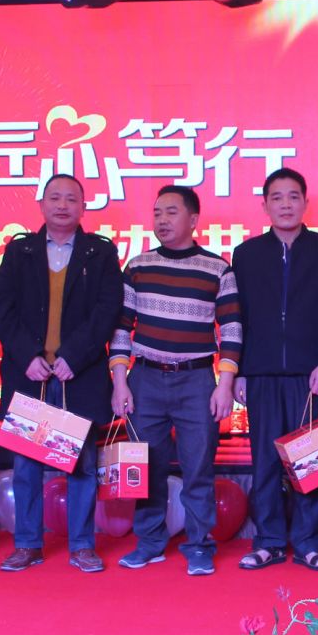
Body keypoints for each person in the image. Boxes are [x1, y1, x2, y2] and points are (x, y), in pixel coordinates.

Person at [0, 174, 124, 574]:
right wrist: (26, 355)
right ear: (42, 204)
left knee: (82, 466)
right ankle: (27, 544)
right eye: (55, 198)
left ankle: (82, 546)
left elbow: (107, 310)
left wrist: (74, 356)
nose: (62, 205)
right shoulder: (20, 250)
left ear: (83, 206)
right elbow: (1, 308)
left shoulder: (100, 252)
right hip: (31, 375)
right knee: (26, 466)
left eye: (71, 199)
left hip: (77, 376)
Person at [110, 184, 242, 576]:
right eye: (157, 213)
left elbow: (231, 330)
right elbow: (122, 328)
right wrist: (120, 382)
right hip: (145, 379)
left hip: (196, 381)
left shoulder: (218, 269)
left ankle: (199, 545)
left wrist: (225, 384)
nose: (162, 220)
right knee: (145, 468)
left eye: (171, 212)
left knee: (198, 468)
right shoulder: (137, 266)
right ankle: (149, 542)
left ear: (193, 219)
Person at [232, 168, 318, 572]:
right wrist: (239, 370)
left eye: (293, 196)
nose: (285, 204)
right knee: (264, 462)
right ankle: (269, 542)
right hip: (261, 373)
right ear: (264, 205)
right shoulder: (246, 254)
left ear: (305, 203)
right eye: (277, 197)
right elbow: (239, 317)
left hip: (309, 375)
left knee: (310, 462)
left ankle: (309, 544)